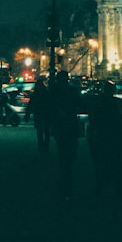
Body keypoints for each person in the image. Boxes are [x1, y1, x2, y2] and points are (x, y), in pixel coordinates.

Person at [87, 82, 122, 196]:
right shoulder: (116, 103)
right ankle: (118, 185)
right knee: (116, 162)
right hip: (115, 135)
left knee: (103, 162)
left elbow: (94, 120)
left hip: (105, 135)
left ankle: (102, 185)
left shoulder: (99, 103)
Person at [49, 71, 81, 200]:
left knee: (63, 155)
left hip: (61, 127)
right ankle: (67, 180)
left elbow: (51, 108)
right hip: (70, 126)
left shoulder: (54, 92)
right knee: (70, 154)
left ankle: (65, 180)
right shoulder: (71, 91)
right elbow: (79, 105)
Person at [25, 77, 52, 154]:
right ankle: (45, 147)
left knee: (40, 132)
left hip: (39, 114)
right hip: (45, 114)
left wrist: (27, 114)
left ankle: (42, 147)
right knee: (46, 132)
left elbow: (30, 105)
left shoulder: (35, 94)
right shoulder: (46, 93)